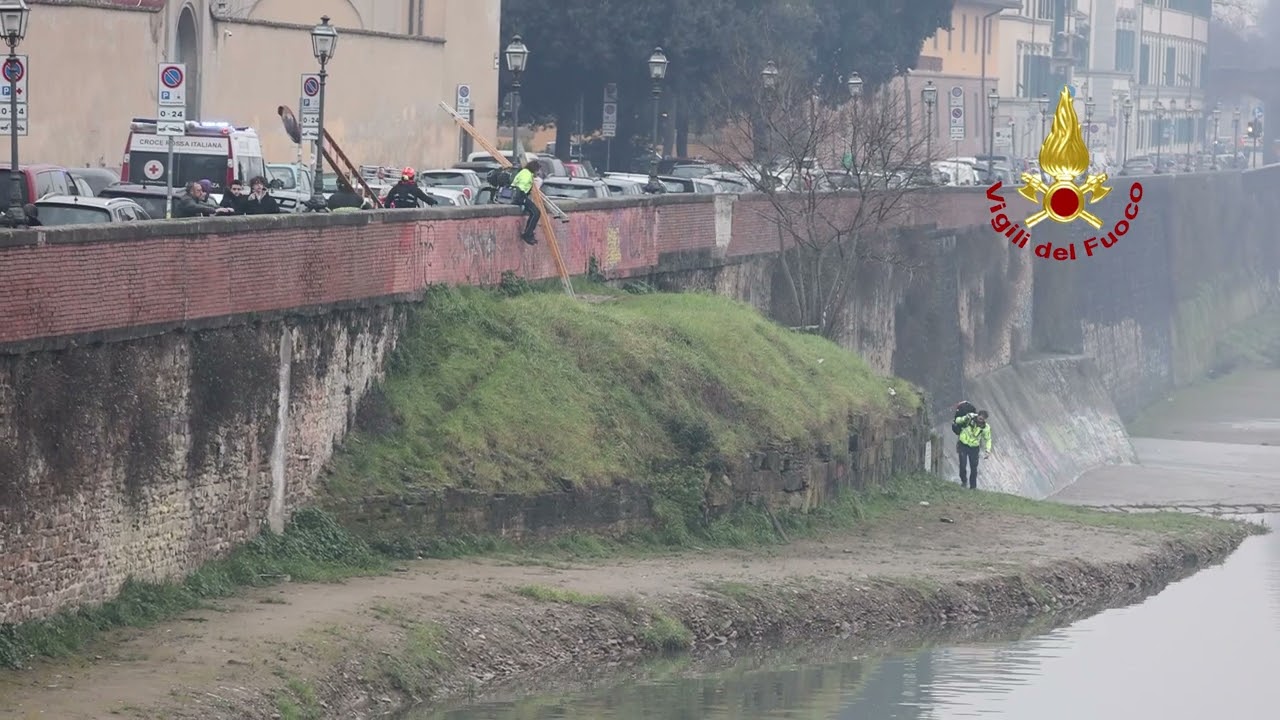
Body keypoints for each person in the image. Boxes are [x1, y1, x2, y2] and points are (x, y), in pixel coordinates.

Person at [955, 409, 993, 490]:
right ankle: (964, 481)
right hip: (963, 444)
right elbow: (958, 421)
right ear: (977, 415)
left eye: (982, 419)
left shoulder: (986, 428)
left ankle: (973, 487)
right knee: (962, 464)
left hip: (974, 448)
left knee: (974, 468)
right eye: (980, 418)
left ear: (985, 420)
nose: (980, 420)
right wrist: (965, 418)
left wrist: (988, 450)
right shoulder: (970, 417)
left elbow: (988, 439)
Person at [510, 159, 541, 244]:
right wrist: (523, 197)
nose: (538, 173)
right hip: (519, 196)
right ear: (534, 169)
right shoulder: (527, 174)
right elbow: (521, 186)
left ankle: (529, 233)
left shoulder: (525, 172)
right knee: (536, 213)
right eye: (537, 171)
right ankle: (528, 234)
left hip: (518, 195)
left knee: (534, 212)